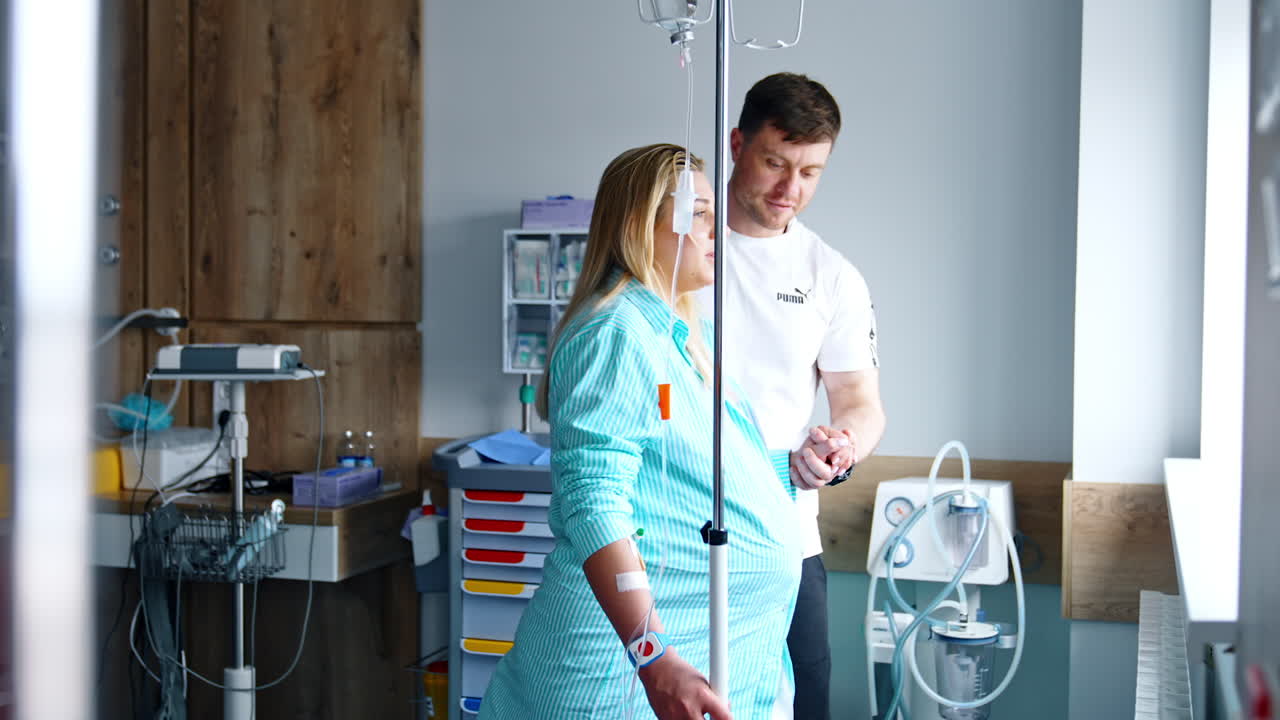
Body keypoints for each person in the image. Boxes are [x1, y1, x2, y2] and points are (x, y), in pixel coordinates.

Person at [480, 143, 814, 720]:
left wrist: (792, 467)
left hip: (710, 648)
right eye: (700, 213)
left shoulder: (678, 332)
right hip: (617, 678)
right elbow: (595, 502)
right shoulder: (615, 331)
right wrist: (652, 654)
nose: (718, 229)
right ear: (643, 224)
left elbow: (682, 474)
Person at [698, 72, 888, 720]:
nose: (789, 190)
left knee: (804, 703)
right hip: (671, 533)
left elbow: (860, 400)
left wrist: (840, 446)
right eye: (775, 163)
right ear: (737, 143)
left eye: (810, 173)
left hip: (785, 535)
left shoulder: (829, 275)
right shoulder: (675, 250)